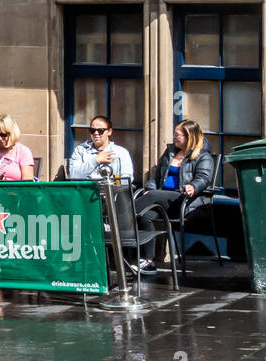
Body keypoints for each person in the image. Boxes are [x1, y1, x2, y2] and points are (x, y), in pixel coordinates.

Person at [133, 119, 215, 273]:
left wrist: (193, 186)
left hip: (184, 200)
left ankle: (116, 218)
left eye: (178, 135)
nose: (174, 137)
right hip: (163, 199)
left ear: (189, 136)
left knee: (152, 196)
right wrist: (149, 188)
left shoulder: (203, 155)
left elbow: (204, 177)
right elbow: (156, 178)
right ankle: (149, 262)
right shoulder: (170, 152)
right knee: (145, 215)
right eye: (174, 134)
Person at [67, 115, 135, 185]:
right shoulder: (80, 150)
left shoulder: (121, 152)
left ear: (109, 132)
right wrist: (96, 160)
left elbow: (127, 180)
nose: (96, 133)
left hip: (112, 191)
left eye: (100, 131)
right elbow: (74, 175)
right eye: (92, 130)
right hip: (85, 190)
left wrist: (110, 186)